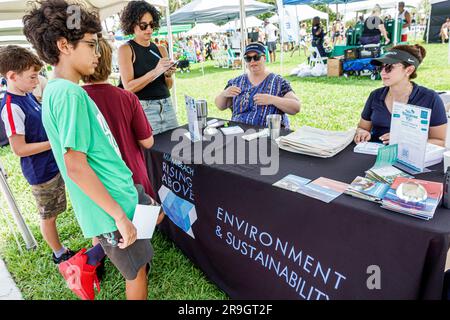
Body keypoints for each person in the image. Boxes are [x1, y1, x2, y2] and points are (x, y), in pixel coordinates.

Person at [23, 0, 154, 300]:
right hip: (111, 210)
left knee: (138, 264)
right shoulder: (69, 94)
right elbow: (76, 166)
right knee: (137, 273)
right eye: (91, 44)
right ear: (64, 45)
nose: (97, 54)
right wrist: (120, 216)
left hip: (113, 199)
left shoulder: (56, 90)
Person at [0, 45, 74, 264]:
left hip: (52, 163)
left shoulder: (27, 94)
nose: (37, 81)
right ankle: (59, 253)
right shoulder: (11, 106)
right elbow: (19, 149)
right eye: (33, 77)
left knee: (56, 208)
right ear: (12, 76)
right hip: (40, 171)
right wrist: (53, 143)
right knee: (48, 216)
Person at [82, 35, 157, 200]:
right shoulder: (127, 97)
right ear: (109, 62)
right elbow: (147, 141)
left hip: (100, 183)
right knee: (144, 223)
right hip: (132, 175)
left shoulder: (77, 99)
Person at [354, 45, 447, 147]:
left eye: (389, 67)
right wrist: (361, 132)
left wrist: (405, 140)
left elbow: (439, 141)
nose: (382, 72)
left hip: (410, 158)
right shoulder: (375, 95)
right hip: (373, 154)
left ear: (409, 70)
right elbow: (363, 127)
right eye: (381, 67)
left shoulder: (430, 98)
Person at [118, 0, 178, 135]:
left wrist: (168, 74)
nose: (149, 29)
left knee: (174, 149)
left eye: (152, 25)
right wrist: (156, 71)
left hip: (167, 105)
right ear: (132, 25)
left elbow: (167, 86)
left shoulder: (161, 49)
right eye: (143, 26)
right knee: (151, 153)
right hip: (144, 108)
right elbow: (129, 87)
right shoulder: (126, 49)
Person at [215, 42, 300, 129]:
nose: (252, 61)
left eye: (256, 57)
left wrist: (273, 99)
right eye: (248, 58)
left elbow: (296, 107)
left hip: (268, 135)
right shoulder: (236, 82)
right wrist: (224, 94)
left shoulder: (278, 82)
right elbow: (220, 106)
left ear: (264, 58)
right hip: (238, 133)